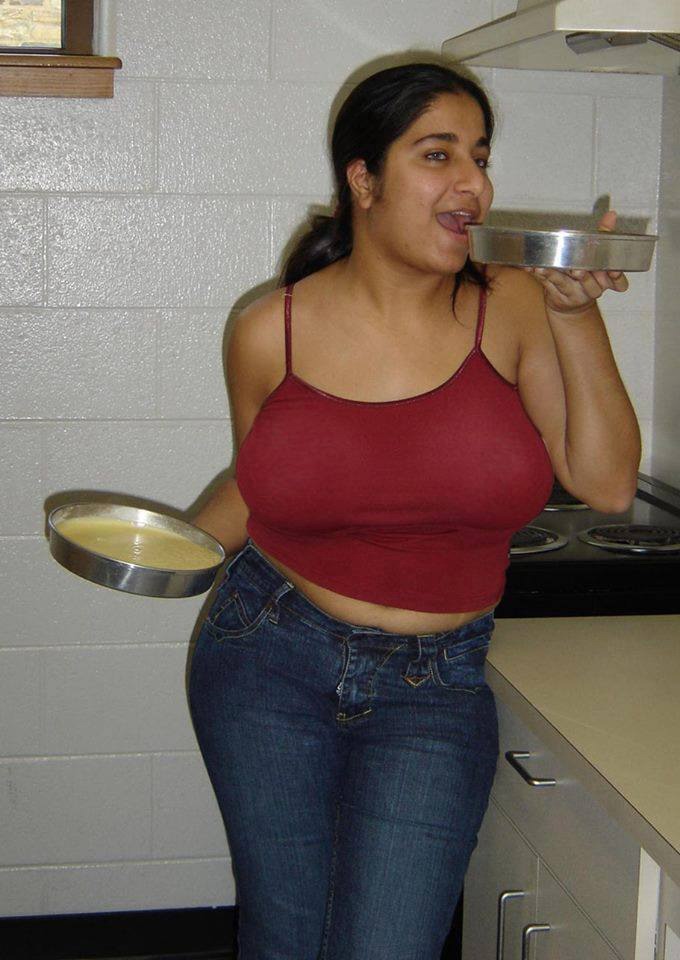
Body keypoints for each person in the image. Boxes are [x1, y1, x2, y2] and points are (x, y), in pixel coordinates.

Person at [187, 58, 640, 960]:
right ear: (363, 181)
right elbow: (264, 483)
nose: (473, 183)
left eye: (480, 156)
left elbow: (607, 483)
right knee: (284, 938)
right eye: (438, 155)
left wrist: (577, 316)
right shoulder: (269, 329)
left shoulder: (512, 306)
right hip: (268, 656)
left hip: (436, 687)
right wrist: (167, 550)